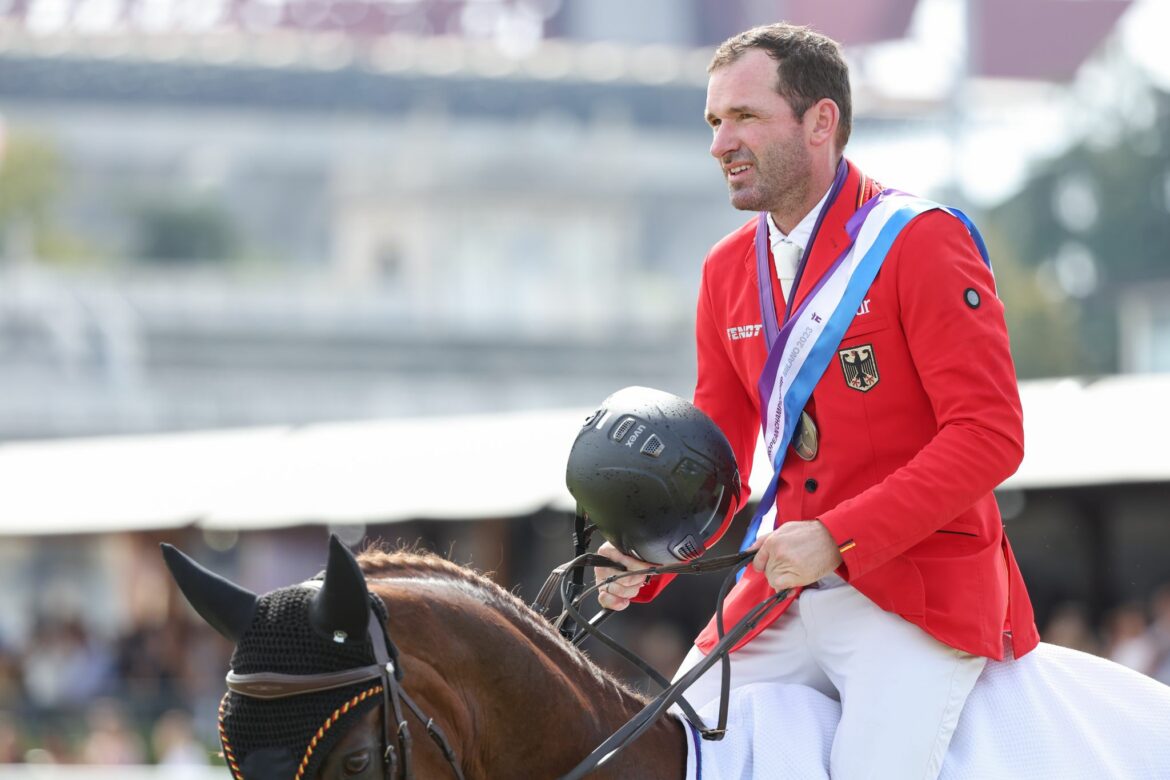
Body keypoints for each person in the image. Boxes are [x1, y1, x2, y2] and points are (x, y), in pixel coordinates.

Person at [595, 22, 1039, 779]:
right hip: (782, 588)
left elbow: (989, 435)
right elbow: (721, 455)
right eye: (713, 122)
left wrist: (838, 536)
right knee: (669, 756)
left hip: (916, 587)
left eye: (744, 117)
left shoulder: (919, 241)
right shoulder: (725, 270)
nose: (719, 143)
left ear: (820, 122)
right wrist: (647, 557)